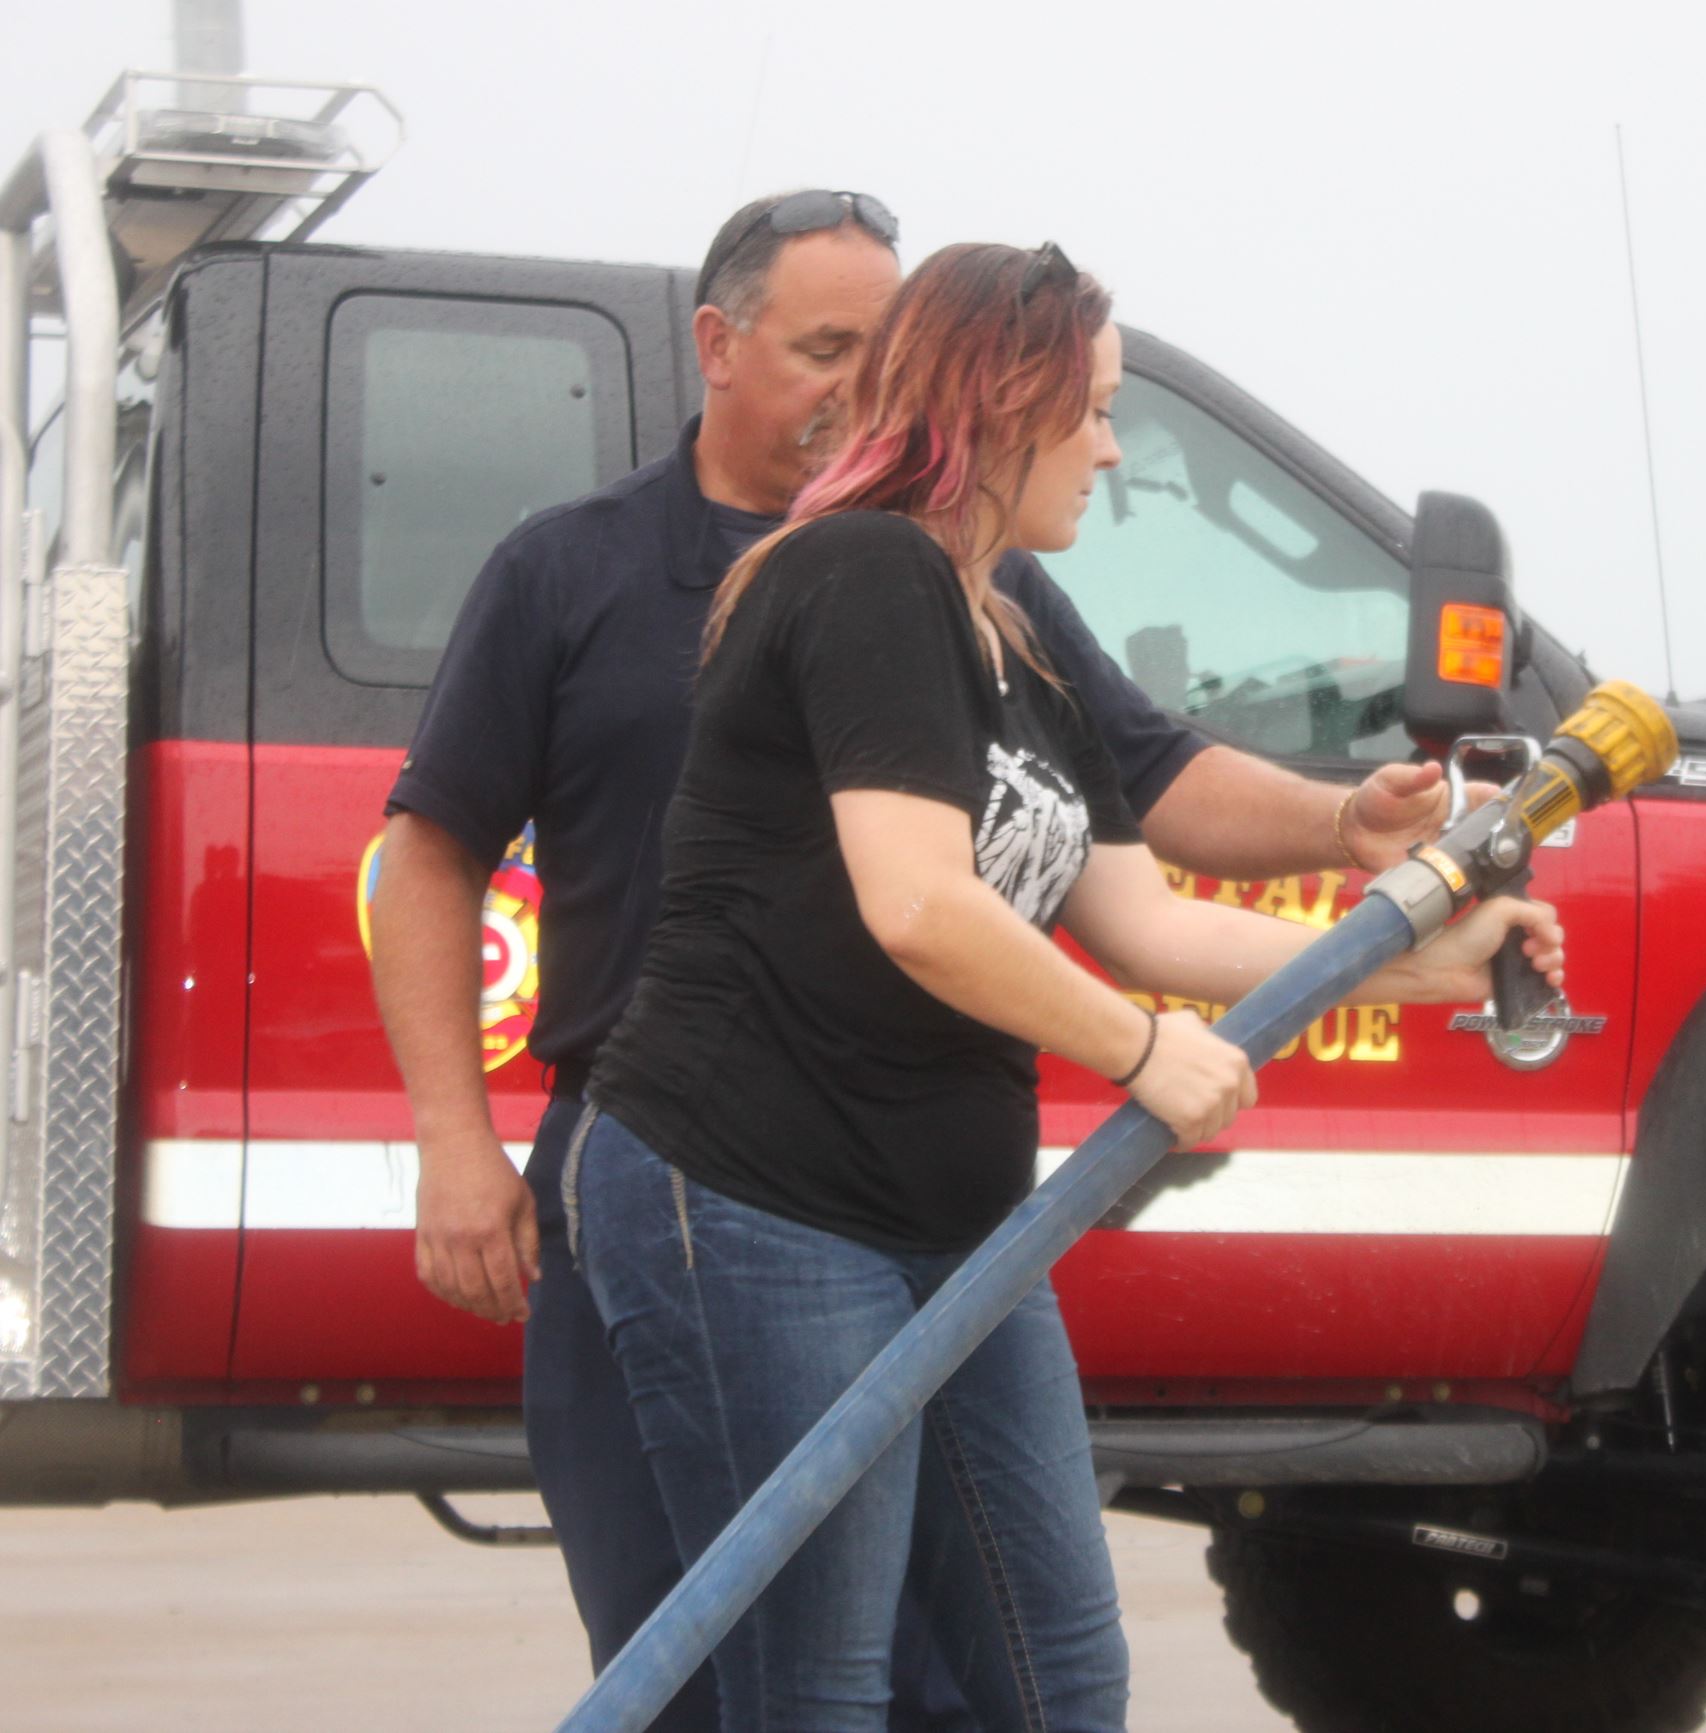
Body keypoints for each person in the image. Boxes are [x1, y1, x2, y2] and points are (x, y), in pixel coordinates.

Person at [370, 194, 1496, 1728]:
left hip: (946, 1213)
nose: (1112, 452)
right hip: (742, 1193)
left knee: (1049, 1679)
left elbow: (1147, 902)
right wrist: (1140, 1048)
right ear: (1004, 400)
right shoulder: (815, 570)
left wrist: (1413, 945)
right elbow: (918, 904)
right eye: (1093, 413)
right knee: (780, 1685)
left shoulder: (1008, 619)